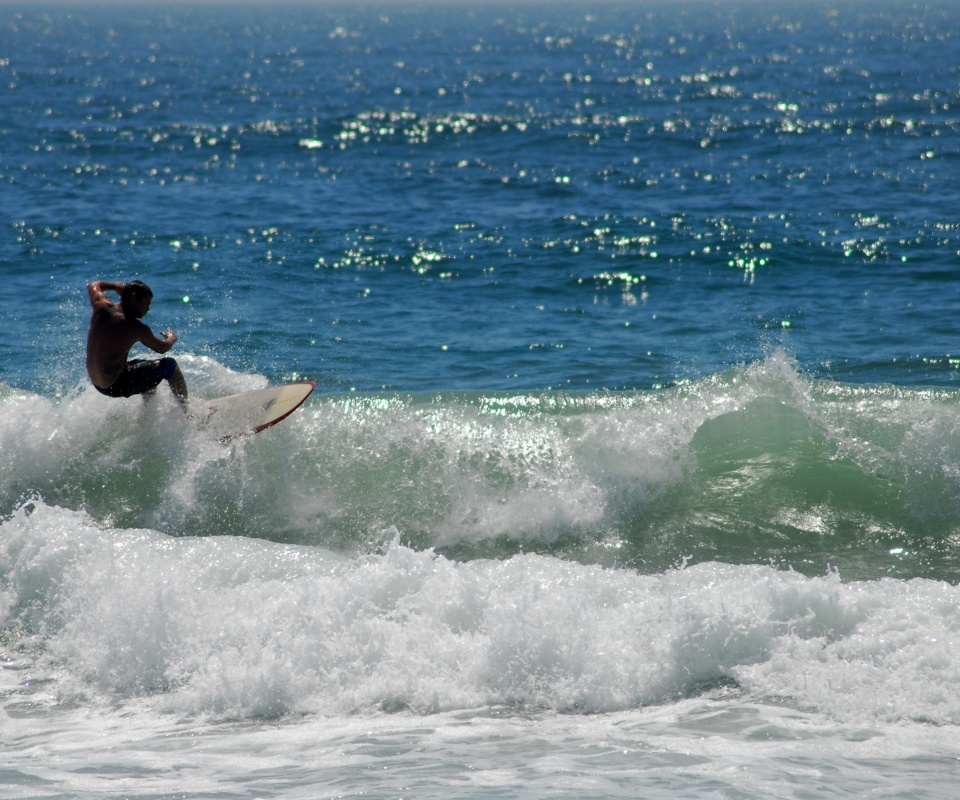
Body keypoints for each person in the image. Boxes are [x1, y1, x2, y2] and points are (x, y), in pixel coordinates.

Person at [85, 279, 188, 410]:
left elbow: (93, 285)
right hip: (115, 385)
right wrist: (171, 338)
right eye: (147, 303)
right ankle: (188, 414)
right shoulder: (136, 327)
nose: (148, 309)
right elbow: (162, 348)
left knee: (146, 368)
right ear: (134, 298)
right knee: (169, 365)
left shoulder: (101, 305)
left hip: (97, 382)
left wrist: (116, 286)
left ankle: (148, 414)